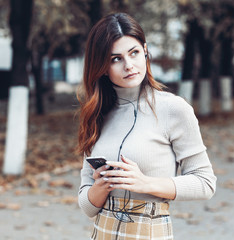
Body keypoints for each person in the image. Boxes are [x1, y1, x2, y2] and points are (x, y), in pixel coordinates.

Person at [77, 12, 216, 240]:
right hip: (103, 232)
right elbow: (87, 206)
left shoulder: (173, 108)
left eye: (134, 53)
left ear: (145, 50)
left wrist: (145, 183)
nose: (129, 65)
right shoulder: (97, 114)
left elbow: (205, 183)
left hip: (150, 231)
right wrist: (101, 185)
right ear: (102, 66)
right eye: (116, 59)